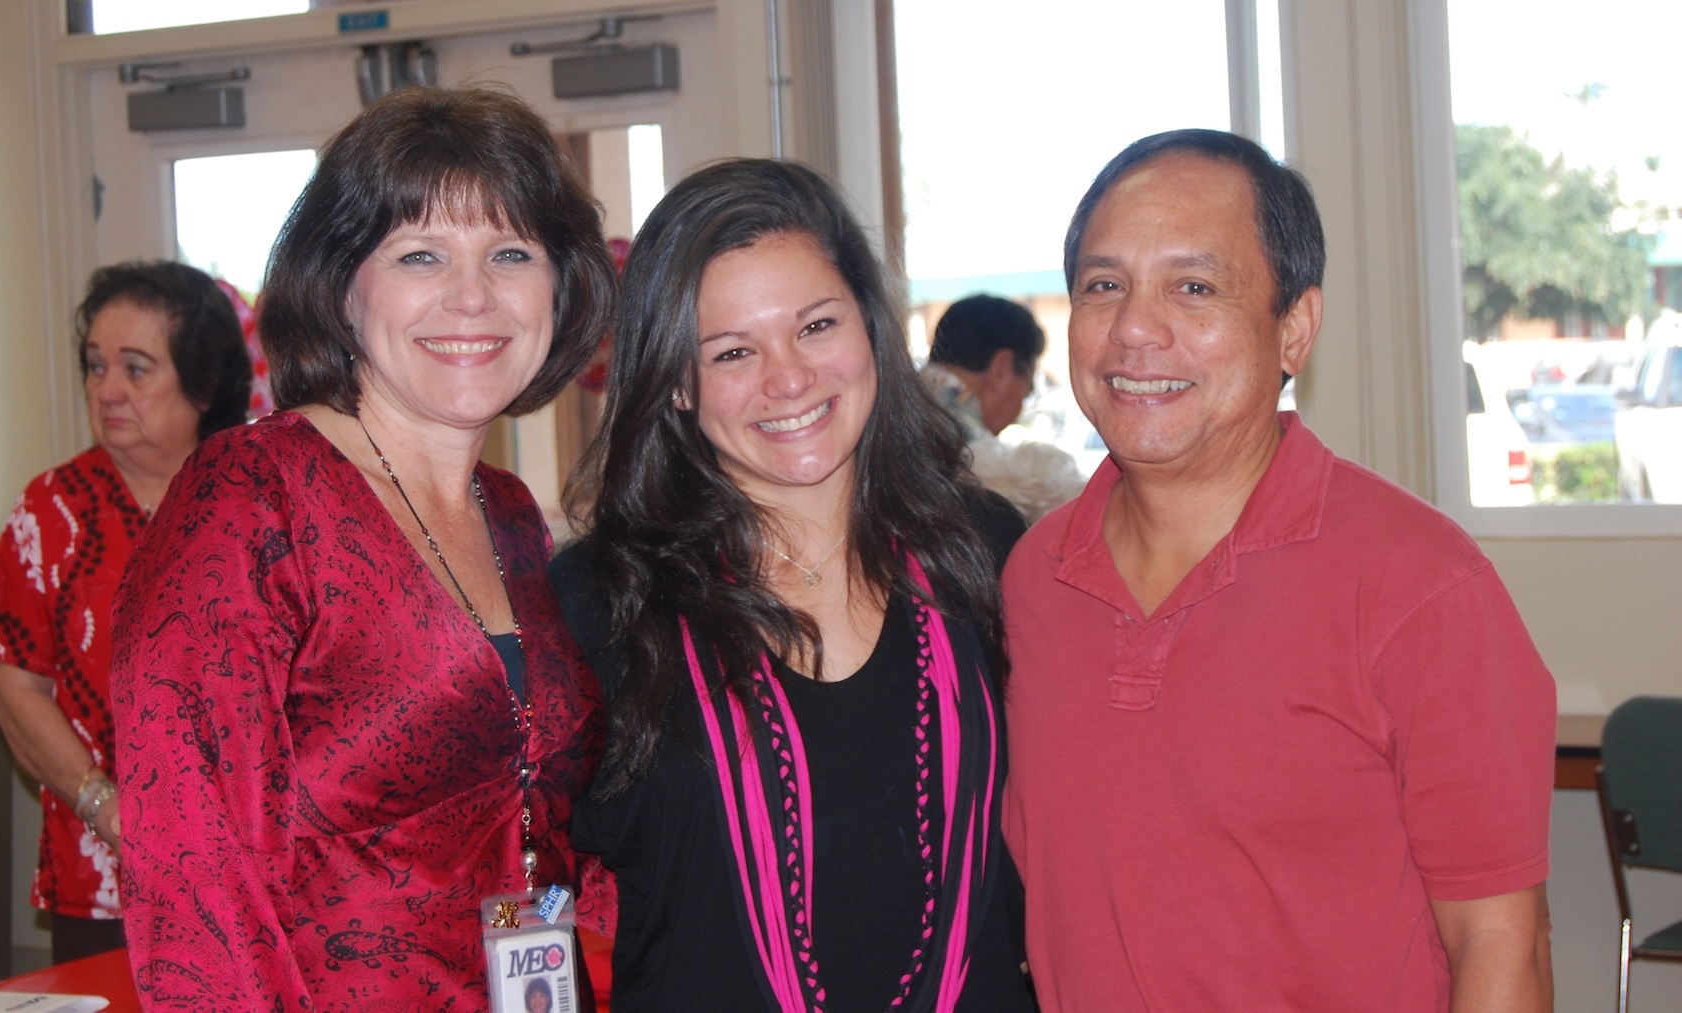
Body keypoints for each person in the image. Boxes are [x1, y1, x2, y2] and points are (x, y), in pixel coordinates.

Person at [1001, 129, 1556, 1011]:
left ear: (1294, 327)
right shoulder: (1032, 579)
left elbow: (1501, 946)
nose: (1136, 328)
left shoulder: (1417, 584)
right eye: (1104, 285)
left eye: (1194, 287)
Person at [111, 86, 617, 1010]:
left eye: (511, 253)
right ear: (344, 286)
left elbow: (540, 816)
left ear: (561, 286)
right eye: (421, 254)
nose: (473, 295)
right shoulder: (249, 500)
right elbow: (196, 874)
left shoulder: (507, 513)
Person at [555, 158, 1034, 1013]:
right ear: (674, 382)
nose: (788, 378)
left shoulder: (987, 550)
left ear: (870, 329)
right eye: (733, 350)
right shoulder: (601, 603)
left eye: (816, 326)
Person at [0, 261, 251, 963]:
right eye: (95, 366)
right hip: (104, 870)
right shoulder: (53, 509)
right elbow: (11, 682)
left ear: (203, 383)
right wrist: (101, 803)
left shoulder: (256, 499)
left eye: (136, 368)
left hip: (260, 866)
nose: (107, 389)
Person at [923, 294, 1082, 522]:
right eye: (1027, 389)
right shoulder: (946, 424)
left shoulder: (902, 401)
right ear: (1002, 368)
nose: (1018, 414)